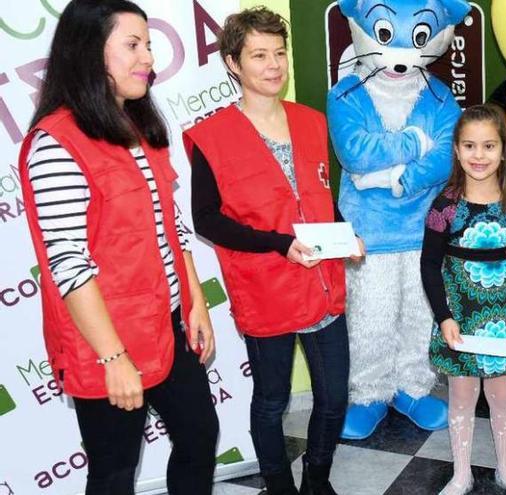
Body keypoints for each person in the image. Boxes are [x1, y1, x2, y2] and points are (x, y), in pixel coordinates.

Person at [18, 1, 219, 494]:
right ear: (89, 53)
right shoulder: (56, 142)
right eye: (132, 45)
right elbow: (67, 263)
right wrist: (113, 358)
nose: (148, 56)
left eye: (148, 44)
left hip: (169, 324)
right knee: (114, 470)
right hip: (108, 341)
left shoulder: (139, 127)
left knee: (199, 435)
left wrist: (195, 301)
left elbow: (171, 225)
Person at [185, 7, 360, 495]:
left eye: (279, 53)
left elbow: (320, 197)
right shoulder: (212, 136)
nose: (273, 65)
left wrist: (346, 235)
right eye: (259, 55)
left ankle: (317, 478)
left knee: (332, 398)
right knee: (271, 400)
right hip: (266, 288)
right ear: (233, 63)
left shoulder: (309, 121)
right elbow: (208, 219)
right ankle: (280, 485)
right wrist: (279, 244)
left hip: (323, 285)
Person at [420, 104, 506, 495]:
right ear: (456, 149)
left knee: (503, 396)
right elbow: (429, 265)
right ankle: (461, 474)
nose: (479, 155)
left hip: (504, 319)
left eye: (488, 146)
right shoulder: (445, 206)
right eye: (469, 145)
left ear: (503, 150)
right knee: (461, 395)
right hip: (459, 317)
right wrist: (443, 317)